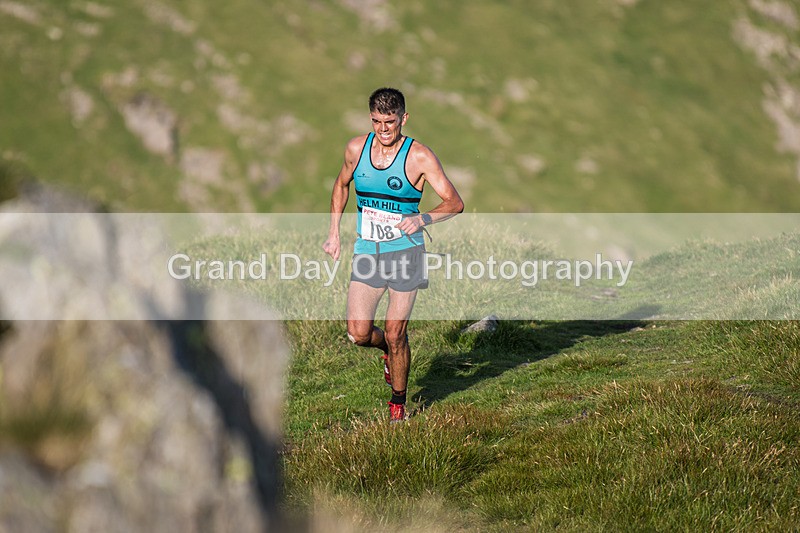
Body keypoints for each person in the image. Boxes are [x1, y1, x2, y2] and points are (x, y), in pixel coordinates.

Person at [322, 87, 464, 422]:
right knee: (358, 333)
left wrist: (423, 218)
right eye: (376, 121)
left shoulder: (419, 157)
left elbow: (455, 203)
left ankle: (398, 406)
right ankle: (386, 349)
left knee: (397, 330)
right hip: (367, 252)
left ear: (404, 118)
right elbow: (341, 185)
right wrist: (333, 233)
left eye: (390, 121)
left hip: (406, 253)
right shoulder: (357, 149)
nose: (383, 129)